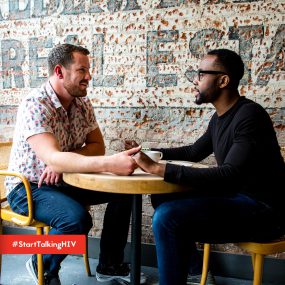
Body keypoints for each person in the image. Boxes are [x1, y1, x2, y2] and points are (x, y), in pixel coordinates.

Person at [126, 49, 285, 285]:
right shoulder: (219, 117)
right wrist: (147, 153)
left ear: (223, 80)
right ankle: (192, 271)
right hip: (237, 198)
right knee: (162, 199)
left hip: (263, 210)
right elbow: (194, 152)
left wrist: (158, 169)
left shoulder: (250, 115)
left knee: (167, 217)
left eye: (201, 74)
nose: (195, 80)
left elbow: (229, 174)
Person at [5, 43, 146, 285]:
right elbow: (54, 157)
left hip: (66, 178)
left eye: (88, 70)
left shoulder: (82, 103)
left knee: (125, 192)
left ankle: (109, 265)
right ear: (59, 72)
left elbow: (96, 146)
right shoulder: (36, 104)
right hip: (29, 187)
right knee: (76, 220)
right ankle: (42, 264)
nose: (89, 77)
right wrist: (105, 163)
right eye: (82, 70)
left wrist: (61, 162)